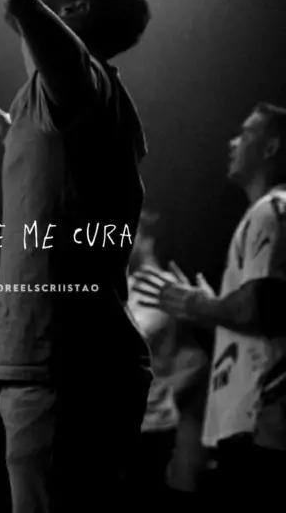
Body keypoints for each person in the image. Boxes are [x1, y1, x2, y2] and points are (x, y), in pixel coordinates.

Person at [0, 0, 152, 513]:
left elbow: (27, 20)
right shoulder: (75, 97)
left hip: (65, 366)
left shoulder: (80, 79)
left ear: (76, 8)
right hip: (79, 364)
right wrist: (20, 136)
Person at [133, 102, 286, 499]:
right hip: (247, 422)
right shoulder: (262, 214)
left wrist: (196, 304)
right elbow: (258, 318)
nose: (233, 142)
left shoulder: (272, 211)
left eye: (247, 133)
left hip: (259, 422)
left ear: (271, 148)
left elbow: (259, 307)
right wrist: (207, 308)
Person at [128, 211, 208, 499]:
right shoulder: (124, 285)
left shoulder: (163, 288)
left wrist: (169, 391)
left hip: (152, 425)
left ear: (146, 239)